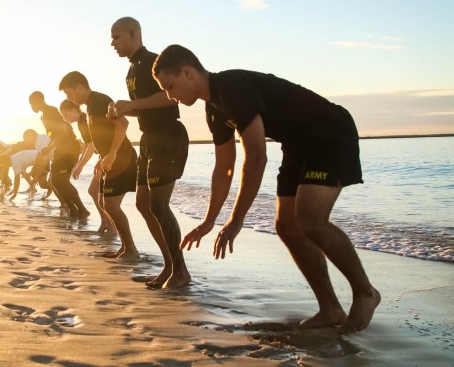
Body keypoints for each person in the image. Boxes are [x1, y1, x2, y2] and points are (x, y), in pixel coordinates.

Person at [152, 44, 381, 334]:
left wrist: (237, 219)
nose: (171, 96)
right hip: (297, 143)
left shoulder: (231, 88)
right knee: (286, 225)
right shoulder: (214, 109)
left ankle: (365, 292)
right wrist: (210, 221)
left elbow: (256, 157)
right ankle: (330, 308)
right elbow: (224, 168)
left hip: (329, 131)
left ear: (187, 72)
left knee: (310, 219)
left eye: (170, 87)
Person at [110, 17, 191, 289]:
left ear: (133, 34)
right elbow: (144, 107)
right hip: (148, 139)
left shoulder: (154, 63)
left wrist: (132, 105)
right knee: (143, 204)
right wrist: (123, 108)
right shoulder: (132, 70)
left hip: (168, 136)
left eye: (117, 37)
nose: (112, 43)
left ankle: (179, 271)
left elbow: (170, 96)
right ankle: (169, 266)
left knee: (158, 204)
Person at [59, 71, 139, 259]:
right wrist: (102, 158)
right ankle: (126, 247)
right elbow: (98, 139)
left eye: (69, 93)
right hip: (109, 160)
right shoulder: (90, 107)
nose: (69, 98)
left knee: (110, 204)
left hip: (122, 157)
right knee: (106, 202)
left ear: (80, 87)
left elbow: (123, 123)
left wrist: (111, 154)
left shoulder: (100, 101)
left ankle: (131, 249)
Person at [28, 91, 90, 219]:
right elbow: (53, 134)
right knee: (54, 181)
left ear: (38, 101)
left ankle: (82, 210)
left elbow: (62, 132)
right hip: (60, 150)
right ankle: (73, 208)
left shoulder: (52, 112)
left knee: (62, 180)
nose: (31, 107)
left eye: (31, 104)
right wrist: (50, 146)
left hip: (69, 149)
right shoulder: (43, 116)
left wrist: (50, 147)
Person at [59, 99, 117, 236]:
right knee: (94, 191)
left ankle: (111, 227)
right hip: (103, 156)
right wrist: (79, 163)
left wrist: (80, 165)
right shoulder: (81, 122)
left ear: (74, 110)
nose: (64, 119)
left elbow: (92, 145)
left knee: (99, 193)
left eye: (65, 115)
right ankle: (106, 223)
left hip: (110, 156)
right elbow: (88, 145)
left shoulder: (84, 120)